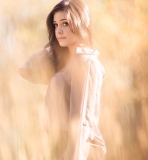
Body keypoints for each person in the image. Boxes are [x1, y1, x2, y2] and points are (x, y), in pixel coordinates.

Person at [18, 0, 106, 159]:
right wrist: (55, 47)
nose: (59, 30)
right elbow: (26, 70)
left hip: (79, 149)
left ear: (81, 23)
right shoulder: (69, 64)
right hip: (61, 147)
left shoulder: (85, 62)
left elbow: (81, 121)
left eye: (65, 23)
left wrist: (73, 156)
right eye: (55, 25)